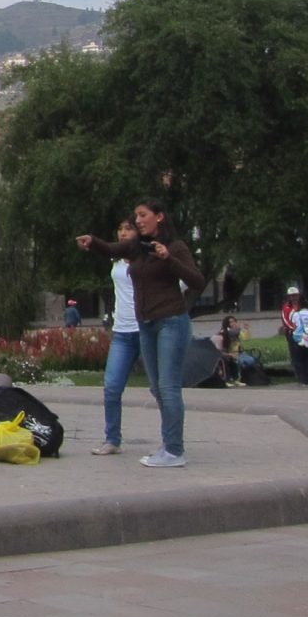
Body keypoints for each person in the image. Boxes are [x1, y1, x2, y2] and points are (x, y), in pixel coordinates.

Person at [79, 197, 204, 468]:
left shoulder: (175, 246)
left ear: (159, 217)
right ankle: (167, 445)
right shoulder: (137, 248)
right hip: (145, 324)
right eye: (136, 216)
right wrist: (93, 242)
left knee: (168, 387)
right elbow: (111, 248)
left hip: (171, 322)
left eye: (143, 215)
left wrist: (169, 259)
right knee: (157, 388)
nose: (138, 220)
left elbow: (197, 280)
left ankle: (174, 450)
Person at [86, 214, 141, 455]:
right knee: (111, 387)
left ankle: (170, 442)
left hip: (146, 328)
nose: (123, 233)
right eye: (120, 228)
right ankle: (112, 439)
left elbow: (179, 283)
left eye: (128, 228)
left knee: (160, 388)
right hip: (122, 330)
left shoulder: (147, 257)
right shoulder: (116, 259)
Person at [287, 288, 308, 385]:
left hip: (300, 340)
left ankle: (304, 380)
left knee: (301, 359)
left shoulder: (296, 315)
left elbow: (294, 328)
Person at [215, 315, 246, 387]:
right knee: (224, 360)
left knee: (234, 360)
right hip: (220, 353)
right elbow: (220, 350)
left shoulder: (234, 335)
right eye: (231, 322)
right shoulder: (223, 334)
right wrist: (229, 354)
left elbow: (244, 338)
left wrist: (234, 354)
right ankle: (226, 380)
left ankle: (235, 379)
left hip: (229, 353)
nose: (233, 323)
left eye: (234, 321)